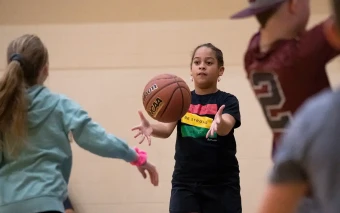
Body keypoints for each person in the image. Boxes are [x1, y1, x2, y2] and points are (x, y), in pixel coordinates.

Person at [0, 34, 159, 213]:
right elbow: (97, 139)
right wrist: (135, 157)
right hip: (46, 202)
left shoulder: (3, 108)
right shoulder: (59, 106)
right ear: (45, 70)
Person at [132, 43, 242, 213]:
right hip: (185, 182)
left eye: (209, 62)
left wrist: (219, 123)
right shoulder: (181, 100)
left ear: (221, 71)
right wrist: (151, 128)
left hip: (222, 183)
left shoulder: (227, 100)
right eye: (197, 62)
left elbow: (226, 127)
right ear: (191, 70)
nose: (202, 66)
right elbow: (167, 129)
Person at [230, 0, 340, 158]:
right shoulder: (299, 56)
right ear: (294, 4)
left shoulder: (251, 55)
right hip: (319, 160)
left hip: (286, 161)